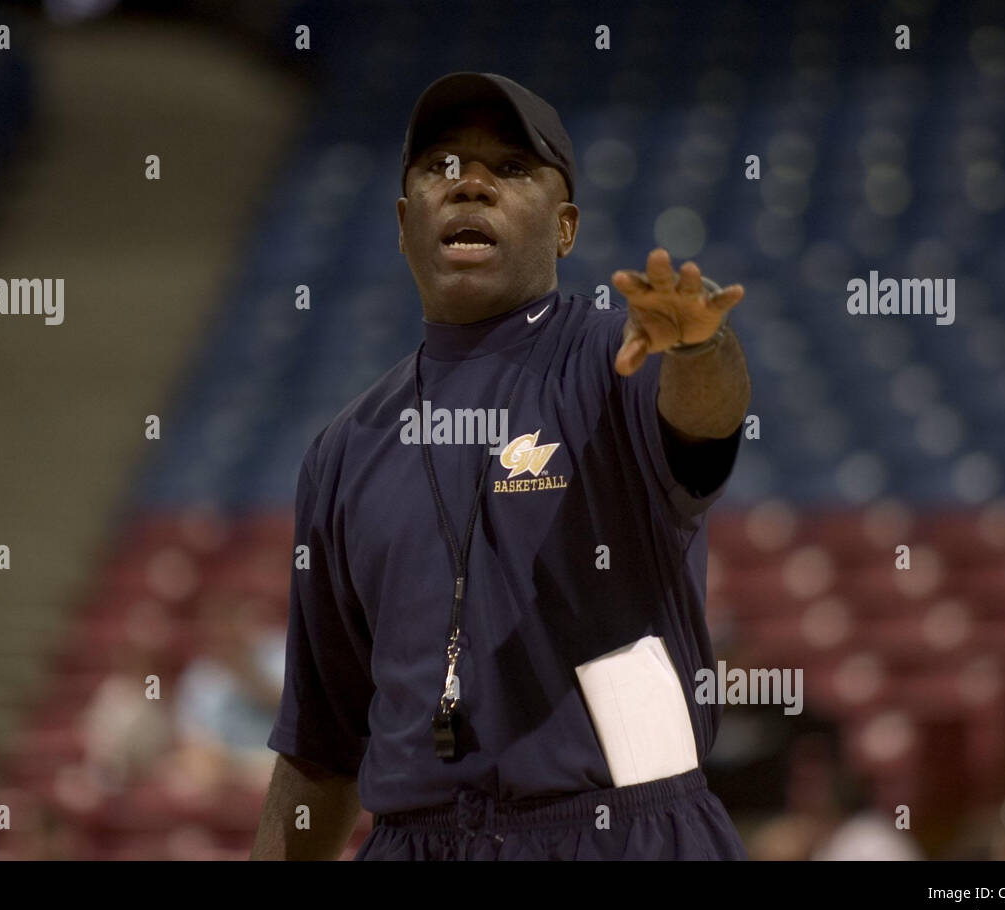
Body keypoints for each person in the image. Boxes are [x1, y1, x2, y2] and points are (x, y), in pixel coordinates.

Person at [251, 72, 752, 860]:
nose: (471, 185)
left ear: (566, 227)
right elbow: (321, 746)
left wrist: (700, 347)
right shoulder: (344, 449)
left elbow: (706, 419)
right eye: (442, 167)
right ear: (403, 218)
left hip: (622, 830)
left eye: (511, 169)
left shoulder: (616, 355)